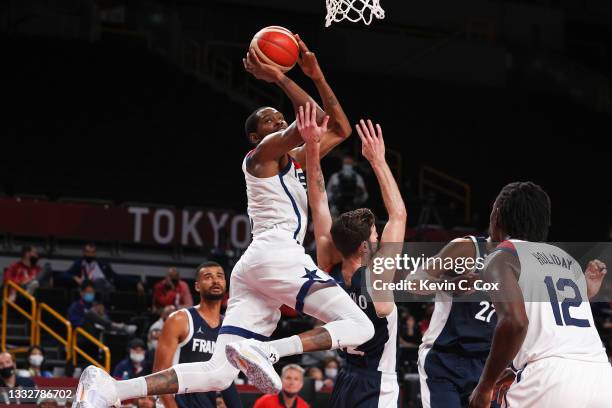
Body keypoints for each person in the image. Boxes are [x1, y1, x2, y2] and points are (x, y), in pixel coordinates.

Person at [74, 35, 373, 407]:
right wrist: (280, 78)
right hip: (277, 253)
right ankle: (270, 352)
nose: (279, 119)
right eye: (270, 120)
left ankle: (112, 389)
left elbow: (339, 128)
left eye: (280, 116)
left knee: (218, 372)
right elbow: (310, 115)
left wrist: (316, 73)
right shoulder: (259, 156)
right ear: (255, 135)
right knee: (361, 325)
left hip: (256, 266)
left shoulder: (296, 159)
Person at [468, 182, 612, 408]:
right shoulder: (565, 259)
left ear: (496, 216)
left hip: (548, 381)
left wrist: (485, 385)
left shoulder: (502, 256)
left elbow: (515, 322)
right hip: (601, 376)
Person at [303, 117, 405, 407]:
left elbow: (318, 200)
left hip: (346, 377)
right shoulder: (377, 275)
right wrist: (378, 160)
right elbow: (398, 214)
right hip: (377, 382)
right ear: (364, 246)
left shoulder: (328, 264)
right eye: (375, 234)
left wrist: (313, 146)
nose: (378, 237)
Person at [153, 261, 241, 408]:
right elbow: (159, 373)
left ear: (225, 284)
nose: (215, 280)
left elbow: (226, 381)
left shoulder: (229, 327)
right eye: (208, 277)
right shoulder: (179, 319)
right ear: (197, 286)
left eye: (220, 276)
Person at [67, 281, 136, 335]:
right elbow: (74, 322)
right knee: (90, 313)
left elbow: (107, 320)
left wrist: (102, 314)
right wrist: (90, 319)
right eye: (88, 292)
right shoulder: (75, 306)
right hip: (82, 333)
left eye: (92, 292)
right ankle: (122, 328)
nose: (91, 294)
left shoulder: (96, 305)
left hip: (99, 331)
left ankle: (120, 329)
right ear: (81, 293)